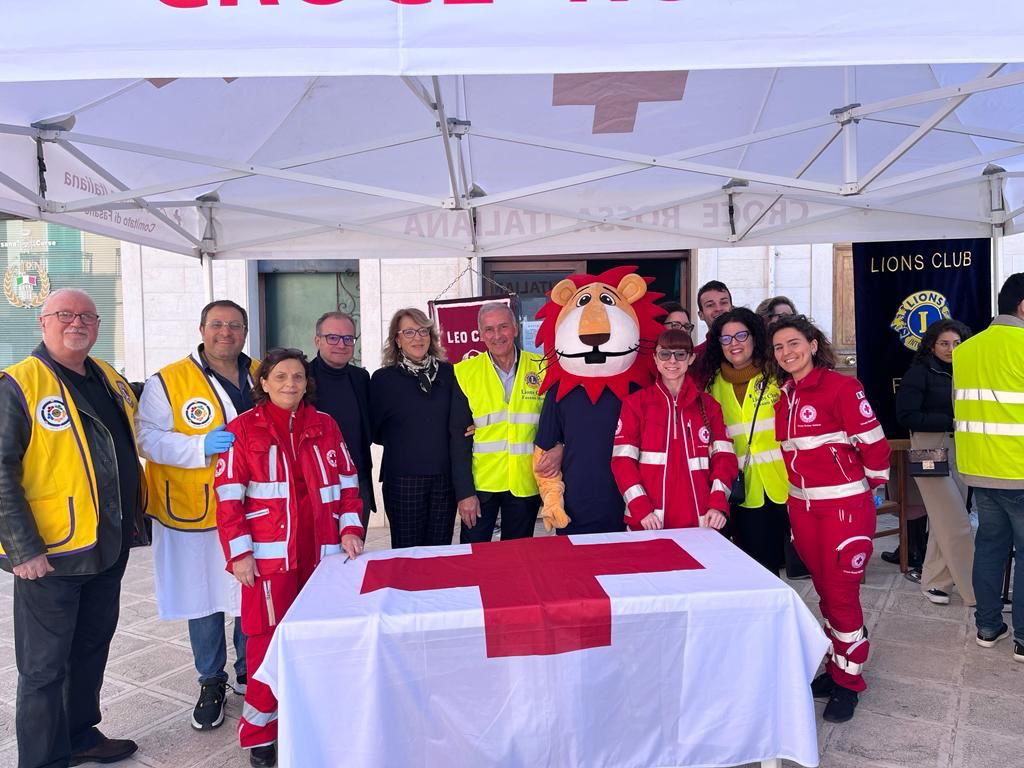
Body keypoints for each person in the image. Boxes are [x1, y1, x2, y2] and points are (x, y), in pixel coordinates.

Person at [0, 289, 144, 768]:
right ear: (43, 322)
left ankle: (80, 735)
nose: (76, 323)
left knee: (90, 649)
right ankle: (42, 761)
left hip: (107, 545)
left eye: (87, 316)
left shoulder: (107, 377)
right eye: (65, 314)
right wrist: (22, 548)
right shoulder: (18, 384)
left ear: (98, 326)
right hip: (51, 554)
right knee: (43, 669)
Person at [214, 348, 364, 767]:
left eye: (297, 377)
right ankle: (261, 737)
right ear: (263, 382)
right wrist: (240, 555)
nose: (290, 384)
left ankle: (315, 723)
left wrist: (351, 528)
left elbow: (349, 482)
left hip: (322, 558)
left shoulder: (325, 424)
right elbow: (228, 500)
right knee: (266, 646)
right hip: (268, 562)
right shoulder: (243, 429)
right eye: (280, 376)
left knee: (320, 640)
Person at [136, 299, 258, 731]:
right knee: (203, 595)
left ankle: (249, 671)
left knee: (248, 590)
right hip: (194, 507)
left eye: (235, 325)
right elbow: (146, 438)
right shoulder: (168, 380)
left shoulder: (261, 373)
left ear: (245, 331)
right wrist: (198, 445)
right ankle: (211, 680)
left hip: (251, 505)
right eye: (217, 324)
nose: (226, 332)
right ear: (201, 329)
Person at [769, 315, 890, 723]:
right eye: (779, 347)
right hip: (803, 510)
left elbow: (874, 446)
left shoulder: (841, 388)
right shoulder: (784, 397)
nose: (787, 352)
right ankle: (837, 666)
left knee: (841, 595)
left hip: (843, 510)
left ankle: (849, 683)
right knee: (823, 592)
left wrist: (865, 492)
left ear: (813, 345)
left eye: (793, 343)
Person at [702, 308, 809, 578]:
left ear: (755, 337)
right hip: (745, 491)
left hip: (790, 484)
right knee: (762, 569)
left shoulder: (777, 376)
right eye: (726, 339)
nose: (734, 344)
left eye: (741, 335)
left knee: (811, 563)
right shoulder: (712, 386)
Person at [953, 273, 1024, 662]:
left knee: (991, 547)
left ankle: (988, 626)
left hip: (980, 468)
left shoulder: (966, 350)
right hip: (1018, 469)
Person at [612, 329, 737, 530]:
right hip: (649, 521)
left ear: (691, 358)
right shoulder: (636, 404)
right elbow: (622, 462)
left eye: (680, 354)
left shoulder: (709, 405)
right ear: (655, 358)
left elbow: (724, 459)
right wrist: (640, 508)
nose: (672, 361)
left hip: (702, 520)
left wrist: (717, 504)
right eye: (665, 354)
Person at [370, 308, 472, 548]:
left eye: (423, 331)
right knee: (407, 552)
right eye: (409, 332)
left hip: (444, 478)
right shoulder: (383, 379)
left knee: (439, 549)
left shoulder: (450, 373)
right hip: (403, 478)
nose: (417, 337)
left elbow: (461, 417)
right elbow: (376, 431)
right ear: (397, 339)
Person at [894, 319, 976, 606]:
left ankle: (935, 583)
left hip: (961, 450)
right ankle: (977, 591)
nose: (951, 349)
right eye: (944, 343)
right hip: (929, 450)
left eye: (957, 343)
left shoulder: (967, 370)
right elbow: (905, 416)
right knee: (957, 523)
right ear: (931, 345)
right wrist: (951, 421)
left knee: (946, 519)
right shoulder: (919, 372)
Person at [452, 303, 545, 543]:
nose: (497, 335)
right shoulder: (464, 372)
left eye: (503, 327)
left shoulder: (542, 367)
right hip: (481, 484)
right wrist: (464, 493)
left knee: (518, 555)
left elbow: (552, 425)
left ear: (515, 328)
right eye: (489, 329)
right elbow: (457, 440)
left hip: (525, 481)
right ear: (481, 335)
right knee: (474, 555)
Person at [309, 311, 375, 531]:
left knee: (353, 546)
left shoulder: (361, 378)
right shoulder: (302, 377)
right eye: (333, 337)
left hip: (357, 483)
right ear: (317, 340)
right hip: (315, 483)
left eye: (348, 338)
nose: (341, 344)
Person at [692, 280, 733, 386]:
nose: (718, 309)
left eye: (723, 302)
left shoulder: (749, 347)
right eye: (710, 305)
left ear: (732, 308)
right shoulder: (695, 356)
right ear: (701, 315)